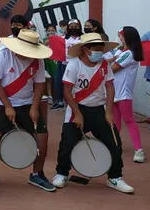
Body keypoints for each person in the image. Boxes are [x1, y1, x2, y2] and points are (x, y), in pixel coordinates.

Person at [51, 33, 134, 193]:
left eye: (101, 49)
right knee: (67, 144)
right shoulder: (74, 65)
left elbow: (110, 87)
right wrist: (77, 113)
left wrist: (109, 112)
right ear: (85, 50)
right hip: (77, 109)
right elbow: (67, 91)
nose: (100, 53)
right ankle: (61, 173)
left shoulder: (104, 65)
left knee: (115, 142)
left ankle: (115, 177)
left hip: (98, 110)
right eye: (96, 49)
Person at [0, 29, 55, 192]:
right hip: (0, 102)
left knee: (42, 136)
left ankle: (37, 174)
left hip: (27, 102)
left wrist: (35, 107)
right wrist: (8, 106)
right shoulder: (2, 54)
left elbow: (39, 84)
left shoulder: (38, 59)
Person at [111, 26, 145, 163]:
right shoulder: (122, 52)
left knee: (129, 121)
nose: (119, 38)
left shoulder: (129, 54)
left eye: (121, 35)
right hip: (114, 92)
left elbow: (113, 68)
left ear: (126, 37)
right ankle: (114, 145)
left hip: (123, 93)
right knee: (115, 122)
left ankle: (139, 150)